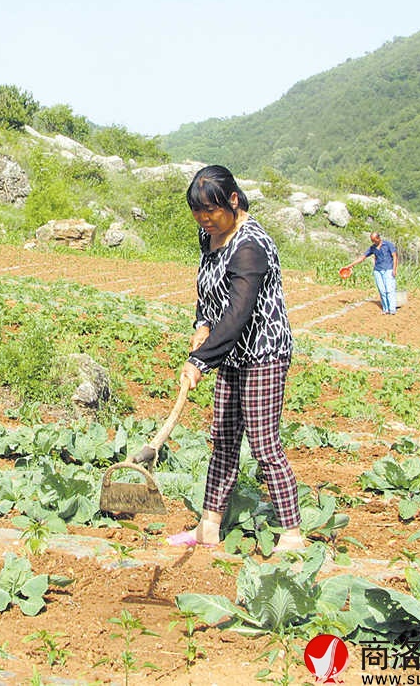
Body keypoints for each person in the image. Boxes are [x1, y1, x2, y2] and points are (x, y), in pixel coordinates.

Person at [167, 165, 305, 553]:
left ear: (232, 200)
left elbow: (238, 313)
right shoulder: (210, 235)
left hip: (262, 352)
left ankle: (292, 534)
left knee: (263, 444)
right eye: (197, 212)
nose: (204, 220)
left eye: (211, 211)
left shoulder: (250, 246)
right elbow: (208, 287)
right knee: (224, 439)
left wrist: (199, 360)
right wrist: (201, 323)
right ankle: (208, 526)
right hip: (229, 351)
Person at [345, 232, 398, 314]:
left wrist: (394, 269)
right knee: (382, 290)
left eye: (374, 240)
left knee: (389, 289)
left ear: (378, 238)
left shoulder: (388, 245)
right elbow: (362, 257)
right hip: (378, 270)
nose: (373, 242)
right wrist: (350, 265)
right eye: (372, 240)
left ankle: (392, 309)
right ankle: (385, 309)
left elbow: (395, 256)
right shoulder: (372, 248)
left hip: (388, 269)